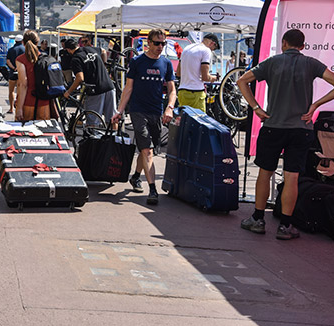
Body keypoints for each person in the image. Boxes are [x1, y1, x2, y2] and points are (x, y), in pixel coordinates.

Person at [237, 28, 334, 240]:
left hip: (274, 126)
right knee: (292, 176)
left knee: (265, 172)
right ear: (302, 46)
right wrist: (315, 105)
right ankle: (285, 226)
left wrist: (256, 108)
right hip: (301, 129)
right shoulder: (311, 63)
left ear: (283, 43)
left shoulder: (272, 62)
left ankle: (258, 219)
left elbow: (242, 81)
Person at [111, 28, 176, 205]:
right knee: (147, 150)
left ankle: (136, 176)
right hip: (137, 110)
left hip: (156, 111)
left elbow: (172, 90)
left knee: (146, 148)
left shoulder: (166, 63)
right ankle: (153, 189)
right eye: (157, 43)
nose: (160, 47)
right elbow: (128, 88)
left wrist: (169, 108)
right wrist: (120, 111)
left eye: (163, 43)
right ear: (149, 42)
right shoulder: (138, 62)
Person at [62, 37, 116, 125]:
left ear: (68, 50)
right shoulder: (90, 48)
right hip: (109, 85)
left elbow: (80, 78)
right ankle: (114, 138)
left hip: (95, 90)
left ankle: (93, 137)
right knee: (112, 120)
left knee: (93, 121)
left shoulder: (76, 59)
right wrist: (104, 65)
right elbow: (103, 51)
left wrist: (69, 91)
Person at [15, 30, 53, 122]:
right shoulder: (45, 58)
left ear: (23, 42)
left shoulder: (21, 60)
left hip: (27, 101)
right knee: (43, 133)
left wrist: (19, 108)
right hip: (44, 101)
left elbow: (23, 84)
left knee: (24, 133)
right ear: (37, 42)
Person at [176, 34, 219, 112]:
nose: (212, 50)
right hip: (196, 92)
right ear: (213, 43)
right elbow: (205, 77)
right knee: (200, 121)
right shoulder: (206, 50)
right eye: (214, 49)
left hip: (182, 91)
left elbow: (178, 73)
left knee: (184, 120)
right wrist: (215, 78)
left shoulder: (187, 48)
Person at [6, 34, 25, 114]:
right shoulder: (25, 49)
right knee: (21, 91)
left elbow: (8, 61)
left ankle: (11, 108)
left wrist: (13, 68)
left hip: (12, 72)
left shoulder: (11, 50)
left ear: (15, 41)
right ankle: (20, 107)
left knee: (11, 91)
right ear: (22, 41)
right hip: (22, 72)